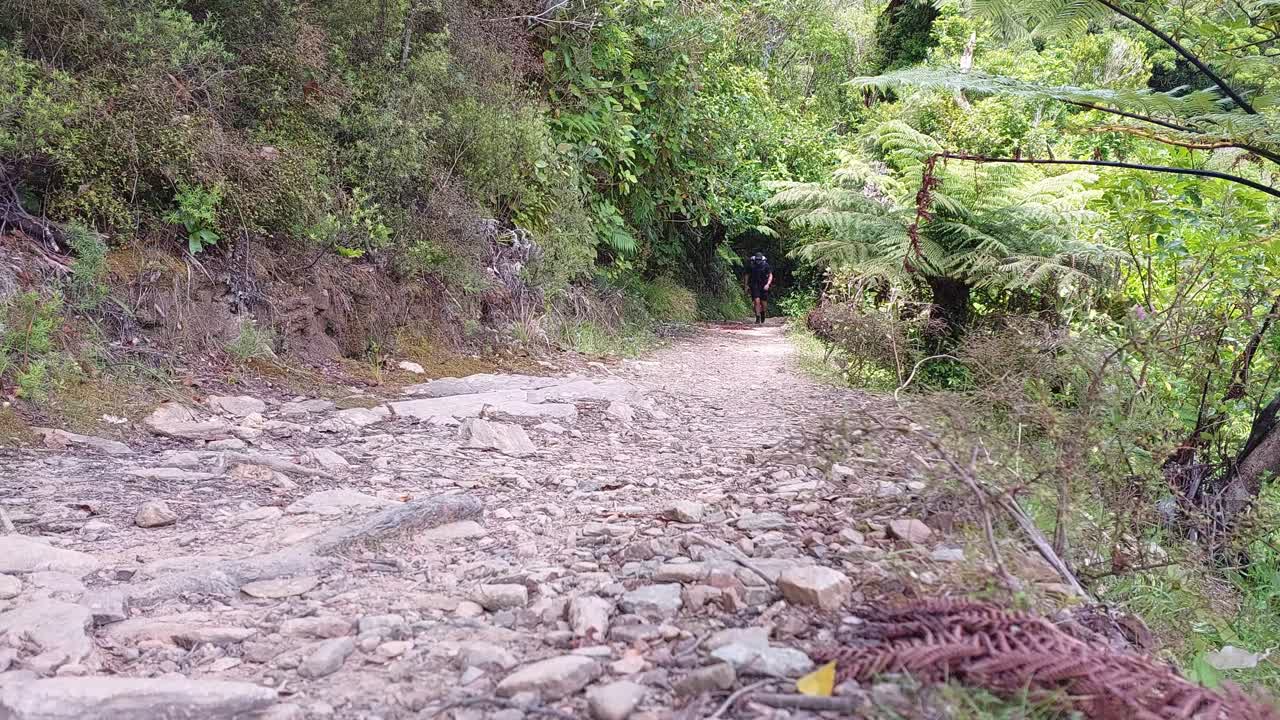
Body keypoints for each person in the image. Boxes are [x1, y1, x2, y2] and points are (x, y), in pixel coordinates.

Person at [744, 252, 773, 324]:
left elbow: (770, 275)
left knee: (764, 303)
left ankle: (763, 313)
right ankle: (757, 317)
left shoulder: (765, 265)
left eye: (759, 260)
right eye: (757, 260)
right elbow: (747, 275)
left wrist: (768, 284)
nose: (758, 261)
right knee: (756, 301)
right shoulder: (751, 265)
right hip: (754, 285)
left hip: (764, 285)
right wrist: (746, 285)